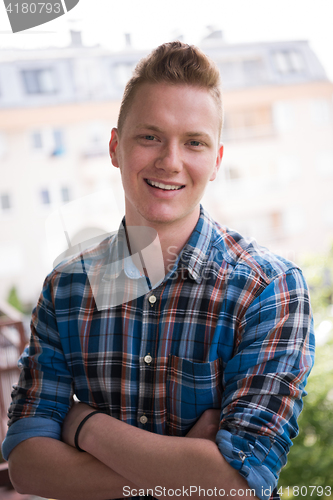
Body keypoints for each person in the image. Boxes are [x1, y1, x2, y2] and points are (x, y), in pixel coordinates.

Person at [2, 41, 314, 500]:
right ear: (115, 147)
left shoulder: (269, 290)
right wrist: (186, 470)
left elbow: (239, 484)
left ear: (216, 161)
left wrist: (84, 425)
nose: (170, 161)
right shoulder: (67, 289)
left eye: (194, 142)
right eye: (150, 136)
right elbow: (28, 466)